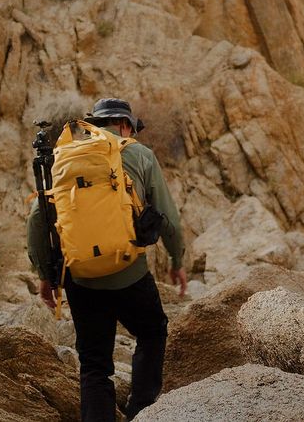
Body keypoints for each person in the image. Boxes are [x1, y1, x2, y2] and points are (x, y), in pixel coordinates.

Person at [27, 97, 187, 422]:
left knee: (94, 365)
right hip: (130, 271)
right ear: (126, 125)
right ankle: (142, 411)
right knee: (153, 332)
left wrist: (45, 276)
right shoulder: (139, 154)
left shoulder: (64, 155)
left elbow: (36, 219)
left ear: (95, 123)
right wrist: (177, 260)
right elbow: (168, 218)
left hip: (81, 277)